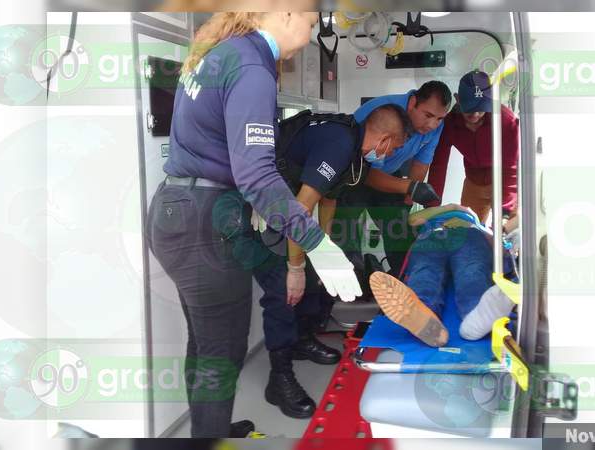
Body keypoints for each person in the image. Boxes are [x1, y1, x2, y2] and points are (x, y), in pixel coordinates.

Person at [146, 12, 361, 438]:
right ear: (284, 11)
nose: (316, 24)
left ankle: (213, 430)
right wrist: (318, 245)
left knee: (207, 345)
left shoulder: (224, 54)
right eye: (312, 15)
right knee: (221, 353)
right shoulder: (250, 66)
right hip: (204, 220)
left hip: (178, 208)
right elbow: (258, 176)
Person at [253, 105, 411, 418]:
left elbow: (329, 197)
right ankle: (279, 377)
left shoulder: (354, 150)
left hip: (292, 209)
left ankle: (301, 338)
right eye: (394, 147)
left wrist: (324, 244)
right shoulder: (340, 144)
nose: (391, 154)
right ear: (385, 139)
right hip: (270, 208)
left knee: (313, 272)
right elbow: (298, 210)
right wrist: (295, 268)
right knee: (281, 289)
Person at [332, 81, 451, 276]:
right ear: (412, 103)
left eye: (439, 118)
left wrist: (407, 202)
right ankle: (349, 284)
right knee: (347, 233)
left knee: (398, 232)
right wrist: (410, 187)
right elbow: (368, 175)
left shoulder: (436, 127)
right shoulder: (381, 112)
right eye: (428, 115)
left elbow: (420, 164)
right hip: (354, 174)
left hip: (390, 174)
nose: (432, 125)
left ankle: (398, 281)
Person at [368, 205, 519, 347]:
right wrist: (451, 207)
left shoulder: (475, 221)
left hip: (468, 233)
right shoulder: (438, 214)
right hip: (433, 235)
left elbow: (496, 242)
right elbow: (411, 220)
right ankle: (424, 316)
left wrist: (471, 220)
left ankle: (475, 316)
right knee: (426, 270)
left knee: (471, 269)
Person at [427, 70, 520, 224]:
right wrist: (431, 206)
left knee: (504, 232)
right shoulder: (449, 123)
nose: (475, 114)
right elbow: (439, 165)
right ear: (458, 99)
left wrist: (506, 212)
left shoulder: (507, 122)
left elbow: (511, 168)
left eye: (481, 108)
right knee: (468, 228)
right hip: (474, 183)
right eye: (470, 108)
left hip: (503, 180)